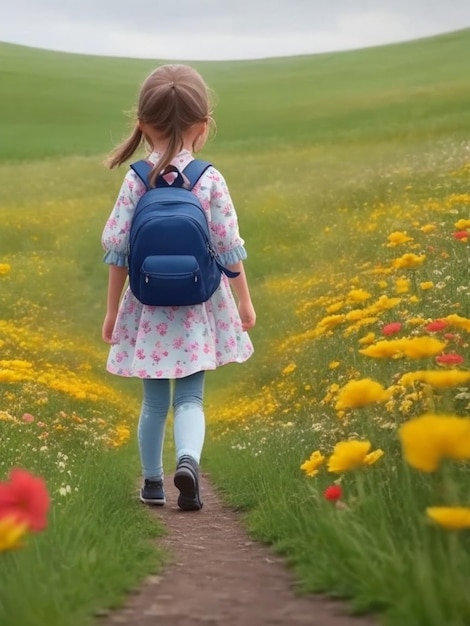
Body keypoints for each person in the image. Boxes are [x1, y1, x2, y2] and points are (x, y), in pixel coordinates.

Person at [101, 64, 256, 511]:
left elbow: (118, 251)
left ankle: (152, 483)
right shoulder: (209, 177)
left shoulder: (136, 179)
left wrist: (112, 311)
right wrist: (244, 301)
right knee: (190, 397)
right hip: (198, 306)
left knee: (153, 403)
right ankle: (187, 462)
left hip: (147, 307)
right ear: (203, 127)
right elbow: (228, 247)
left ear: (143, 124)